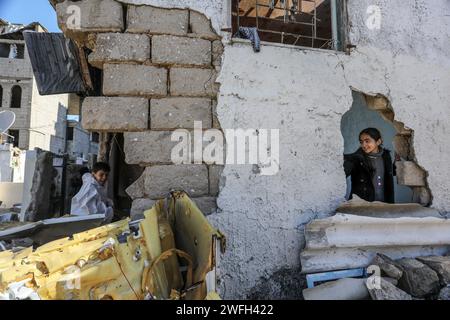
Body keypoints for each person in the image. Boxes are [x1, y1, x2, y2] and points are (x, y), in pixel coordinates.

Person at [344, 128, 396, 203]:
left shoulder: (386, 156)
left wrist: (397, 162)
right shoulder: (356, 159)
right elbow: (343, 172)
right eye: (361, 142)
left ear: (378, 142)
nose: (363, 145)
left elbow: (387, 172)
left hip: (385, 204)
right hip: (363, 205)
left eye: (367, 141)